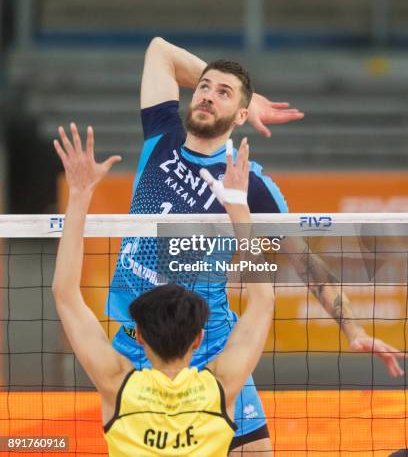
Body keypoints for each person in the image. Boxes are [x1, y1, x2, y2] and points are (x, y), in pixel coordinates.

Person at [104, 37, 405, 455]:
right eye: (204, 86)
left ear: (241, 115)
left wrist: (353, 330)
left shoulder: (251, 185)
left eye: (223, 93)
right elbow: (159, 51)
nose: (207, 95)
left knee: (255, 452)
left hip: (210, 345)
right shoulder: (161, 136)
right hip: (135, 343)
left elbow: (306, 264)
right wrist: (246, 94)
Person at [52, 124, 274, 456]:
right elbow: (263, 301)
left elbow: (65, 293)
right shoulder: (219, 390)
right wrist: (239, 208)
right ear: (199, 339)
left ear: (138, 336)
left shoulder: (119, 386)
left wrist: (80, 194)